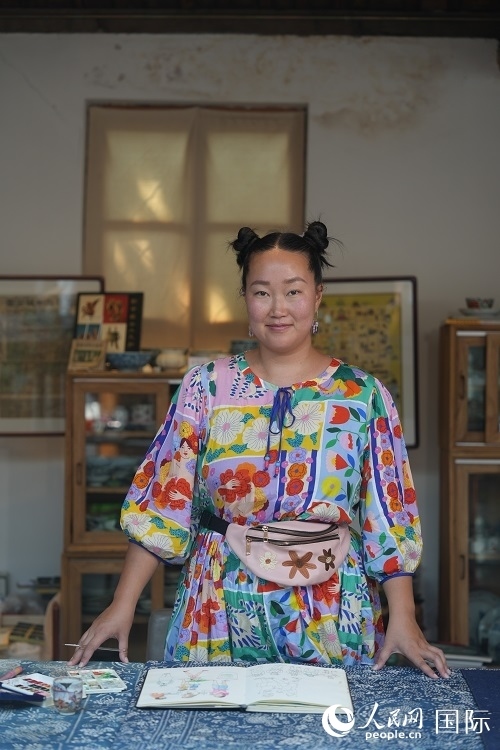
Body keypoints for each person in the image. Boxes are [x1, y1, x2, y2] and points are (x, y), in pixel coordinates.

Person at [69, 220, 450, 679]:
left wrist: (404, 617)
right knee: (211, 718)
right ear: (246, 299)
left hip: (330, 607)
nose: (278, 308)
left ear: (317, 296)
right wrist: (122, 603)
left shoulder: (362, 395)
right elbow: (163, 504)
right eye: (262, 292)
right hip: (218, 601)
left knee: (325, 721)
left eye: (293, 291)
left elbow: (390, 514)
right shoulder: (206, 387)